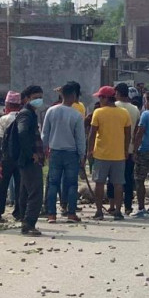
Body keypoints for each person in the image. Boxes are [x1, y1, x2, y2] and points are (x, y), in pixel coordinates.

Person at [42, 81, 87, 222]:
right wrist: (82, 155)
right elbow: (80, 138)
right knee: (72, 184)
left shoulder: (51, 111)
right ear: (73, 95)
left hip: (54, 152)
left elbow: (45, 134)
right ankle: (71, 213)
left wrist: (44, 150)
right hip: (71, 153)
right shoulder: (76, 115)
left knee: (53, 183)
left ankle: (51, 214)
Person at [4, 85, 45, 235]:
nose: (39, 100)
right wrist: (31, 154)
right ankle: (29, 223)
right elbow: (22, 133)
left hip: (26, 159)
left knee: (25, 191)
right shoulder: (26, 114)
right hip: (28, 160)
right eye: (35, 98)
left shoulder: (29, 113)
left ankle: (24, 220)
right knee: (36, 192)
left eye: (40, 97)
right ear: (26, 99)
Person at [87, 85, 132, 221]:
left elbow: (92, 133)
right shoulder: (124, 113)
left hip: (101, 154)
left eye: (100, 97)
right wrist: (125, 150)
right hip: (119, 155)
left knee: (99, 183)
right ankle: (118, 211)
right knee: (118, 184)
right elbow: (128, 134)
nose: (99, 100)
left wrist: (89, 151)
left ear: (106, 98)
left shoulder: (98, 113)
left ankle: (99, 211)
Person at [0, 92, 22, 223]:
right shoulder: (24, 117)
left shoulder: (3, 119)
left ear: (8, 104)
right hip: (21, 157)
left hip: (6, 157)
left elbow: (0, 139)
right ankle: (19, 212)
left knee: (2, 186)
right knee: (20, 185)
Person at [113, 82, 140, 215]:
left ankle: (113, 205)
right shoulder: (135, 109)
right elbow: (137, 131)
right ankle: (128, 206)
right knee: (128, 179)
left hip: (114, 149)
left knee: (113, 179)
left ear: (117, 93)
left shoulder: (114, 106)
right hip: (129, 149)